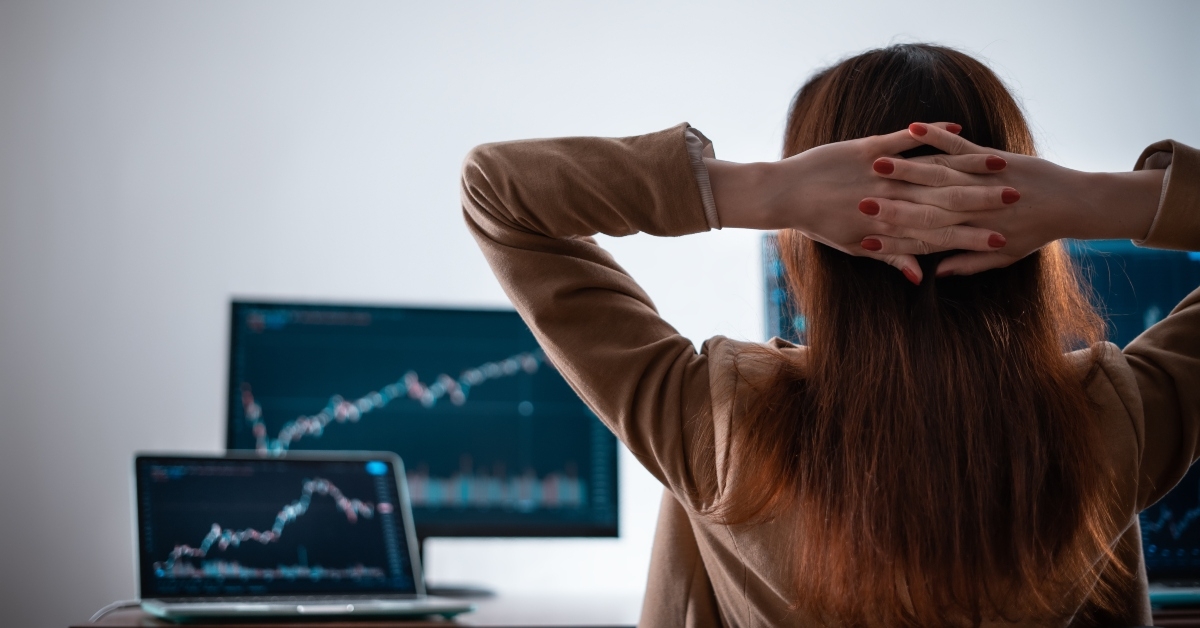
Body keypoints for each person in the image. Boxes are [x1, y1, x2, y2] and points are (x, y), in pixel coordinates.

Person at [460, 43, 1199, 627]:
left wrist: (763, 189)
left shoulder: (723, 421)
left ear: (814, 235)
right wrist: (1098, 201)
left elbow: (498, 190)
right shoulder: (1119, 420)